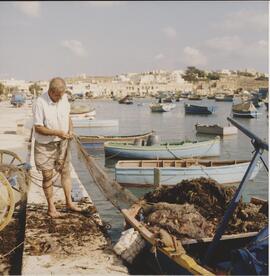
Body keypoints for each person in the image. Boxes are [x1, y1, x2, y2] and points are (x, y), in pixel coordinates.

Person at [33, 77, 81, 218]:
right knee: (47, 176)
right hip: (45, 145)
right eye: (58, 95)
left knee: (65, 172)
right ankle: (51, 208)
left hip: (63, 142)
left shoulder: (64, 98)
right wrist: (58, 133)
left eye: (62, 95)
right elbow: (38, 128)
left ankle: (69, 203)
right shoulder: (39, 103)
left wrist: (70, 129)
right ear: (51, 91)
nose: (60, 98)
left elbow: (67, 117)